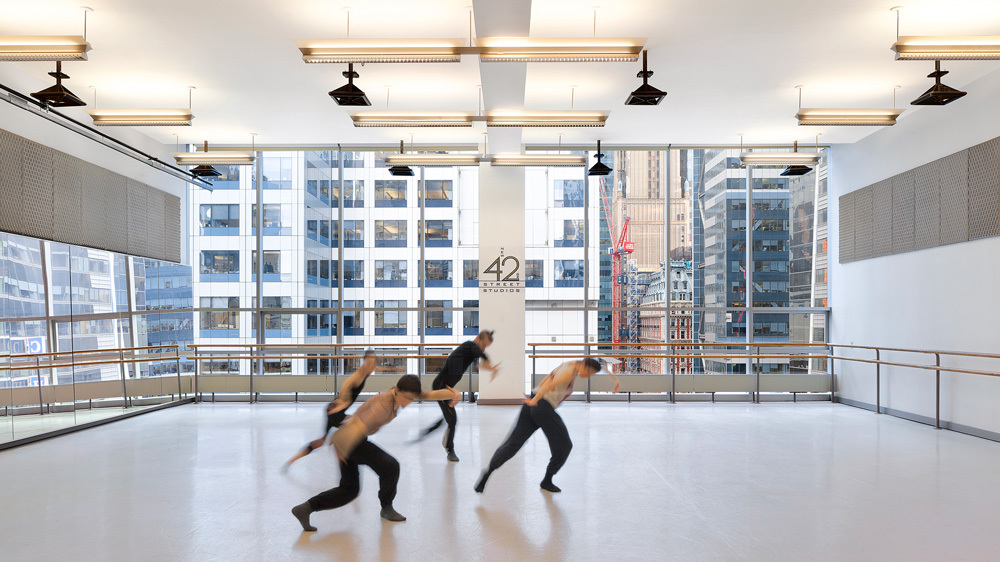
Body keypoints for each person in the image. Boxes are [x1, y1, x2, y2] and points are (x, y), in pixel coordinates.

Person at [291, 375, 460, 531]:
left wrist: (454, 394)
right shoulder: (382, 406)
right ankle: (387, 508)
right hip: (350, 439)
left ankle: (305, 508)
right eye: (406, 398)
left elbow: (430, 394)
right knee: (390, 466)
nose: (408, 402)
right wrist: (341, 449)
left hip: (350, 438)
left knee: (349, 490)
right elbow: (357, 427)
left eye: (411, 399)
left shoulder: (402, 393)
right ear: (397, 390)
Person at [474, 358, 619, 494]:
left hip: (533, 402)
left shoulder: (570, 364)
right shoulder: (568, 373)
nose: (588, 377)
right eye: (590, 373)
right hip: (542, 407)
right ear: (585, 366)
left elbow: (548, 379)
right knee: (565, 445)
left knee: (512, 443)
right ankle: (547, 480)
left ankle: (487, 474)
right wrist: (535, 400)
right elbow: (550, 385)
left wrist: (534, 394)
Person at [282, 350, 376, 471]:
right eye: (369, 363)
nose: (372, 367)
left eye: (373, 364)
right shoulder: (358, 376)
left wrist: (390, 369)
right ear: (364, 362)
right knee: (359, 430)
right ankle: (345, 462)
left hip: (332, 409)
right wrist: (342, 404)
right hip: (335, 410)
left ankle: (292, 460)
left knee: (322, 441)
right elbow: (347, 385)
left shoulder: (365, 372)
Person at [416, 330, 500, 462]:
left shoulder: (471, 351)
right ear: (478, 338)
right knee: (452, 419)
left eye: (486, 347)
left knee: (451, 419)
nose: (483, 348)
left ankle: (446, 442)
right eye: (483, 345)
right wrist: (489, 362)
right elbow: (483, 356)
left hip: (447, 388)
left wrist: (491, 368)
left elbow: (479, 365)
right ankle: (449, 448)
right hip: (441, 386)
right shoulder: (469, 346)